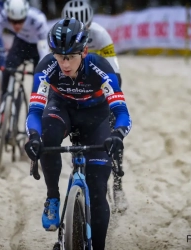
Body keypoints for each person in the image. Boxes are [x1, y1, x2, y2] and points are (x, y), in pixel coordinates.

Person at [24, 17, 132, 250]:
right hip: (61, 110)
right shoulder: (47, 67)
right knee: (47, 133)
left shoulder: (99, 66)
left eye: (70, 56)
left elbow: (121, 110)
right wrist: (33, 135)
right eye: (59, 56)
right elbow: (34, 109)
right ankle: (53, 197)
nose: (64, 63)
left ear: (83, 52)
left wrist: (118, 135)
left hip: (96, 118)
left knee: (97, 190)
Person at [62, 0, 127, 211]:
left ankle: (117, 183)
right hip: (75, 87)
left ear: (90, 24)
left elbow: (115, 71)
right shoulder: (61, 35)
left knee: (112, 125)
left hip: (100, 85)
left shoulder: (101, 35)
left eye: (85, 28)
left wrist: (111, 95)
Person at [0, 0, 50, 103]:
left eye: (21, 21)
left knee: (39, 78)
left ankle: (35, 106)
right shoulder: (3, 16)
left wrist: (41, 68)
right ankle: (3, 100)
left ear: (26, 15)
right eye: (13, 21)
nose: (17, 25)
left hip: (38, 45)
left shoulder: (38, 19)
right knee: (7, 68)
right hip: (21, 42)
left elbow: (44, 49)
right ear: (8, 16)